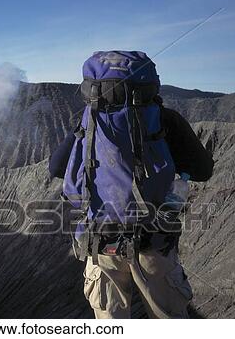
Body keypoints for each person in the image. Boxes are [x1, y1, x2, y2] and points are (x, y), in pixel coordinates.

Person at [49, 51, 214, 319]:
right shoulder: (165, 119)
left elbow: (56, 168)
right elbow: (203, 171)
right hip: (155, 242)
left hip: (102, 245)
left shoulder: (89, 122)